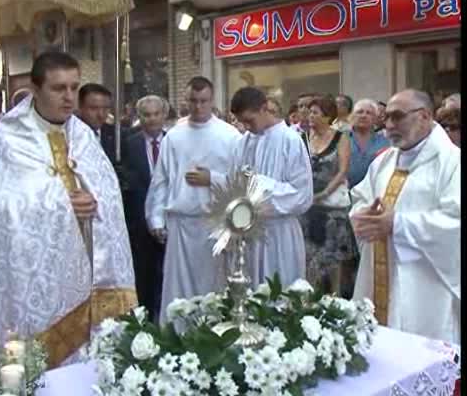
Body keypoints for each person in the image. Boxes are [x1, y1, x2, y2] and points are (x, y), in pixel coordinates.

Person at [0, 52, 136, 368]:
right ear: (35, 89)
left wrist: (94, 201)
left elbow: (106, 191)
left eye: (73, 87)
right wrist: (63, 205)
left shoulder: (81, 134)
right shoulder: (10, 137)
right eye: (58, 88)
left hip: (91, 268)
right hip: (35, 277)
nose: (69, 98)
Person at [350, 89, 460, 344]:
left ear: (424, 116)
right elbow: (359, 198)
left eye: (397, 117)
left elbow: (455, 221)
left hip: (425, 284)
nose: (388, 125)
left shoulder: (453, 162)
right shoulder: (384, 161)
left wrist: (397, 224)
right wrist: (363, 216)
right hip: (378, 268)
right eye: (386, 117)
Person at [145, 76, 241, 323]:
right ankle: (178, 337)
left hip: (214, 223)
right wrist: (155, 218)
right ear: (185, 100)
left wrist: (213, 178)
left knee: (213, 287)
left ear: (213, 100)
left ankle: (214, 333)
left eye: (204, 101)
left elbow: (241, 180)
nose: (198, 107)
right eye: (193, 101)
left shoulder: (229, 136)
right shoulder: (174, 137)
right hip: (181, 224)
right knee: (179, 288)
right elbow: (161, 180)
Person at [225, 87, 314, 288]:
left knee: (279, 291)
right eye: (242, 122)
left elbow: (302, 195)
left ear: (265, 108)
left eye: (250, 120)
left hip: (279, 234)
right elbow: (234, 184)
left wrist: (258, 186)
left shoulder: (290, 140)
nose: (246, 127)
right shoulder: (243, 142)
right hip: (247, 235)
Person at [299, 95, 357, 296]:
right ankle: (310, 296)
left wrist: (324, 193)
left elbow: (343, 171)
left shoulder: (341, 137)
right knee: (309, 254)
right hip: (307, 206)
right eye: (309, 112)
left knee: (334, 256)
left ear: (327, 116)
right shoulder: (302, 138)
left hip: (332, 207)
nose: (310, 116)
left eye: (315, 112)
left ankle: (336, 297)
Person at [123, 95, 168, 322]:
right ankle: (147, 322)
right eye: (146, 115)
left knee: (168, 276)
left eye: (156, 114)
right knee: (144, 277)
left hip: (169, 223)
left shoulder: (174, 142)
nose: (152, 119)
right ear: (139, 117)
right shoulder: (127, 144)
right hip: (139, 225)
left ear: (164, 115)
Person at [347, 99, 390, 189]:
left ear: (375, 119)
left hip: (373, 194)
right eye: (360, 112)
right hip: (343, 195)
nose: (363, 116)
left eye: (369, 113)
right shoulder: (340, 139)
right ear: (352, 116)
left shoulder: (386, 142)